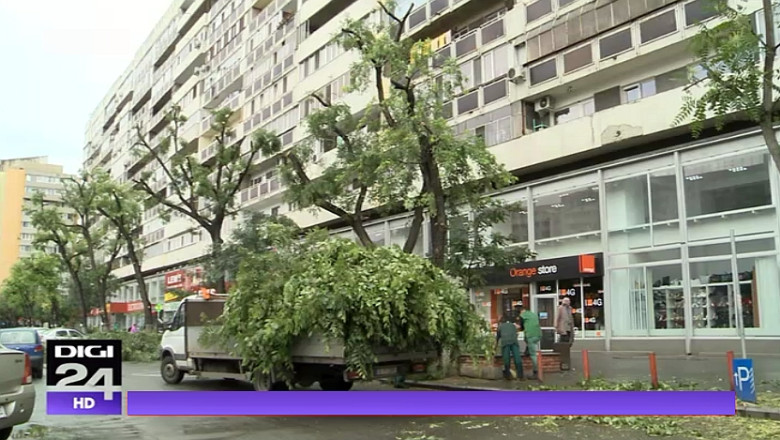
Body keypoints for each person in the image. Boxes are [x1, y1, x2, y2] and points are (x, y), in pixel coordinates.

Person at [495, 315, 524, 380]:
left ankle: (508, 376)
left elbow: (498, 337)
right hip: (514, 342)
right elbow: (516, 334)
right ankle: (520, 376)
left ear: (501, 321)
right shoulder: (513, 325)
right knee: (517, 358)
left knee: (506, 359)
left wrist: (495, 347)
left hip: (505, 343)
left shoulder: (500, 326)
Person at [518, 304, 542, 380]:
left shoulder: (522, 315)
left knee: (533, 355)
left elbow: (521, 327)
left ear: (521, 311)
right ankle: (527, 350)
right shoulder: (533, 314)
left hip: (531, 335)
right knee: (526, 339)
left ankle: (536, 372)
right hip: (538, 334)